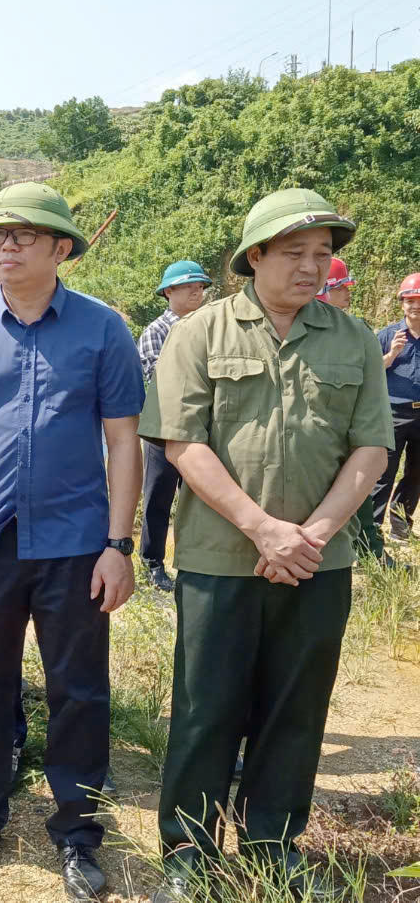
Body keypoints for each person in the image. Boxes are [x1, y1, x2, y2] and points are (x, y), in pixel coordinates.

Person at [141, 190, 390, 903]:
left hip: (320, 562)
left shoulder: (353, 339)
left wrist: (312, 533)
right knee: (204, 706)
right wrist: (263, 527)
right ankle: (188, 854)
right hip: (221, 558)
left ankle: (272, 846)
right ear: (255, 257)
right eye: (294, 253)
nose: (312, 267)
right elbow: (183, 443)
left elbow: (372, 445)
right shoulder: (200, 333)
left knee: (296, 706)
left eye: (323, 254)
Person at [0, 183, 143, 898]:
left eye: (24, 235)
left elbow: (122, 439)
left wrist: (119, 543)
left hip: (77, 543)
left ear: (61, 248)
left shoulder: (103, 329)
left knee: (77, 690)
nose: (5, 247)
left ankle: (77, 832)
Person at [136, 260, 212, 592]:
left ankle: (195, 562)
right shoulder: (156, 331)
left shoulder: (211, 327)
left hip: (202, 430)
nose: (197, 292)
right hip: (164, 430)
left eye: (200, 287)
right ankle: (153, 563)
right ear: (169, 292)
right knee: (158, 497)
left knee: (200, 498)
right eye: (188, 287)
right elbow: (160, 379)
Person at [316, 260, 387, 563]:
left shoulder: (354, 333)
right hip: (322, 441)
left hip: (351, 433)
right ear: (324, 291)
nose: (347, 292)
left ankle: (369, 552)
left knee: (360, 499)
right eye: (341, 287)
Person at [372, 273, 420, 549]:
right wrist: (390, 355)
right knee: (383, 472)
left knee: (415, 474)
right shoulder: (388, 335)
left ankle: (400, 528)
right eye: (410, 300)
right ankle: (373, 530)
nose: (415, 305)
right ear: (402, 303)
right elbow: (370, 373)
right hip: (392, 414)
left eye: (419, 300)